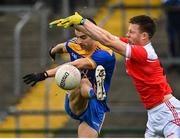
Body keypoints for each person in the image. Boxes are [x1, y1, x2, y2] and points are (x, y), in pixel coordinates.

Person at [49, 13, 180, 137]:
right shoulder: (131, 45)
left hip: (167, 111)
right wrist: (78, 25)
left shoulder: (144, 53)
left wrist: (83, 22)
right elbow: (106, 37)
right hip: (153, 115)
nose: (127, 34)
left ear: (144, 36)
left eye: (131, 32)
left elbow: (108, 41)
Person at [23, 20, 116, 137]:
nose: (79, 41)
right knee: (83, 81)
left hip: (96, 106)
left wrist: (44, 75)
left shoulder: (105, 54)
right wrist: (53, 51)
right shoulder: (75, 44)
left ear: (94, 35)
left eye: (83, 37)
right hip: (75, 98)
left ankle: (96, 94)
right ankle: (95, 93)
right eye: (77, 37)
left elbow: (77, 64)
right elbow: (61, 47)